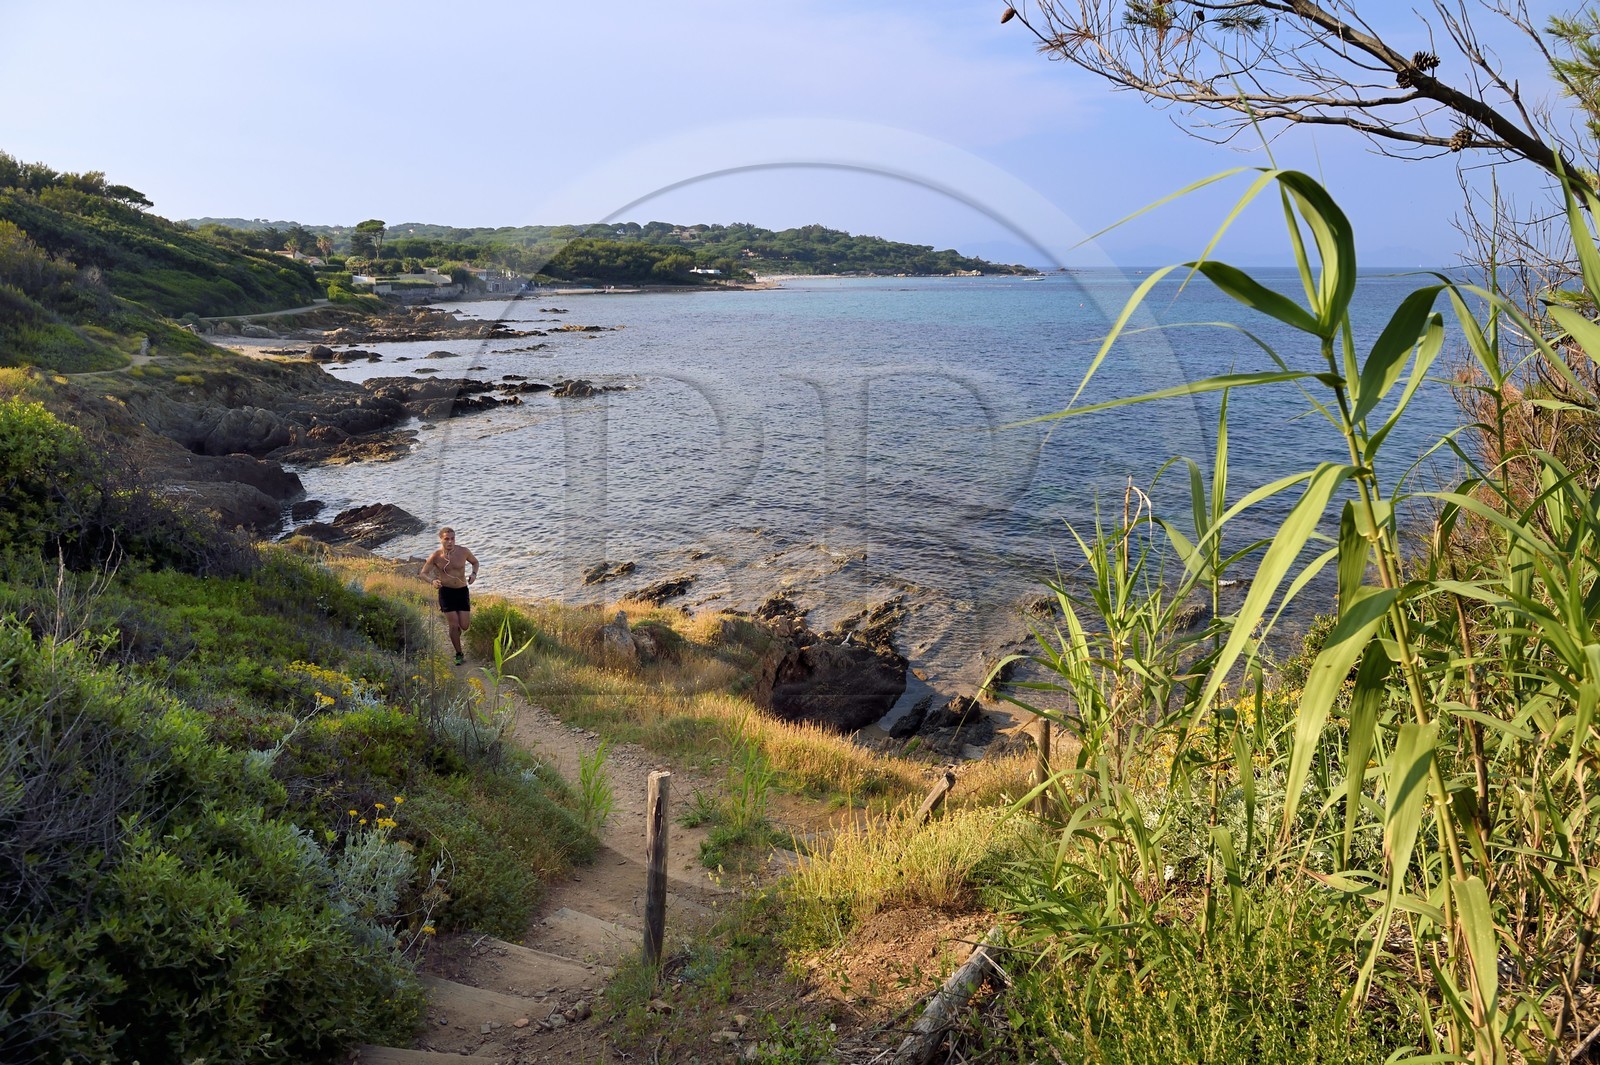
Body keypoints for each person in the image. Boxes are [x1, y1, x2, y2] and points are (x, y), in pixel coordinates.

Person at [419, 527, 479, 665]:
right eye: (447, 539)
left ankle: (457, 630)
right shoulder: (436, 556)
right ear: (441, 539)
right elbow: (423, 573)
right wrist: (432, 581)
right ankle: (459, 653)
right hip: (446, 592)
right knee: (453, 624)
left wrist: (474, 574)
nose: (450, 542)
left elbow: (475, 562)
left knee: (464, 626)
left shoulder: (463, 551)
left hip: (462, 591)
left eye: (452, 538)